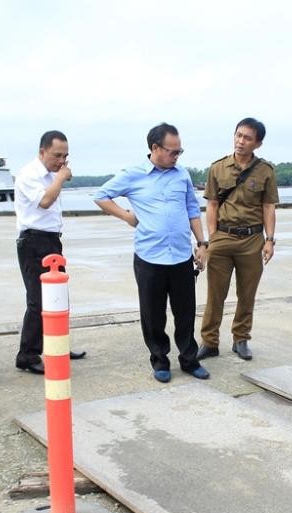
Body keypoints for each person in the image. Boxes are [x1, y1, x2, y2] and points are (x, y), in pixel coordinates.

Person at [94, 123, 210, 383]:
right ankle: (160, 360)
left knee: (186, 312)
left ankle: (189, 360)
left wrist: (202, 244)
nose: (177, 156)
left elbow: (192, 209)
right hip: (149, 257)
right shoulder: (133, 175)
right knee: (152, 313)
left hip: (181, 256)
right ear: (155, 148)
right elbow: (101, 196)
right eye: (173, 151)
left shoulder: (182, 176)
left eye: (180, 151)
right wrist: (126, 216)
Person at [197, 118, 278, 362]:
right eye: (238, 135)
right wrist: (213, 238)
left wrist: (270, 240)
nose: (241, 141)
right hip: (223, 237)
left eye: (247, 138)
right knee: (215, 294)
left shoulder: (265, 171)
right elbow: (211, 204)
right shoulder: (218, 168)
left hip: (252, 239)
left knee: (247, 293)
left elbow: (268, 207)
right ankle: (209, 342)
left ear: (258, 144)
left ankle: (240, 339)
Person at [13, 130, 87, 375]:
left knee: (59, 297)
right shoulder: (29, 174)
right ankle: (28, 354)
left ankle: (58, 346)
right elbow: (44, 202)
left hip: (52, 240)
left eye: (65, 156)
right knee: (38, 300)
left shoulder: (52, 174)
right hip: (33, 241)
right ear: (42, 151)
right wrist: (61, 177)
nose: (61, 161)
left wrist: (59, 175)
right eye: (57, 155)